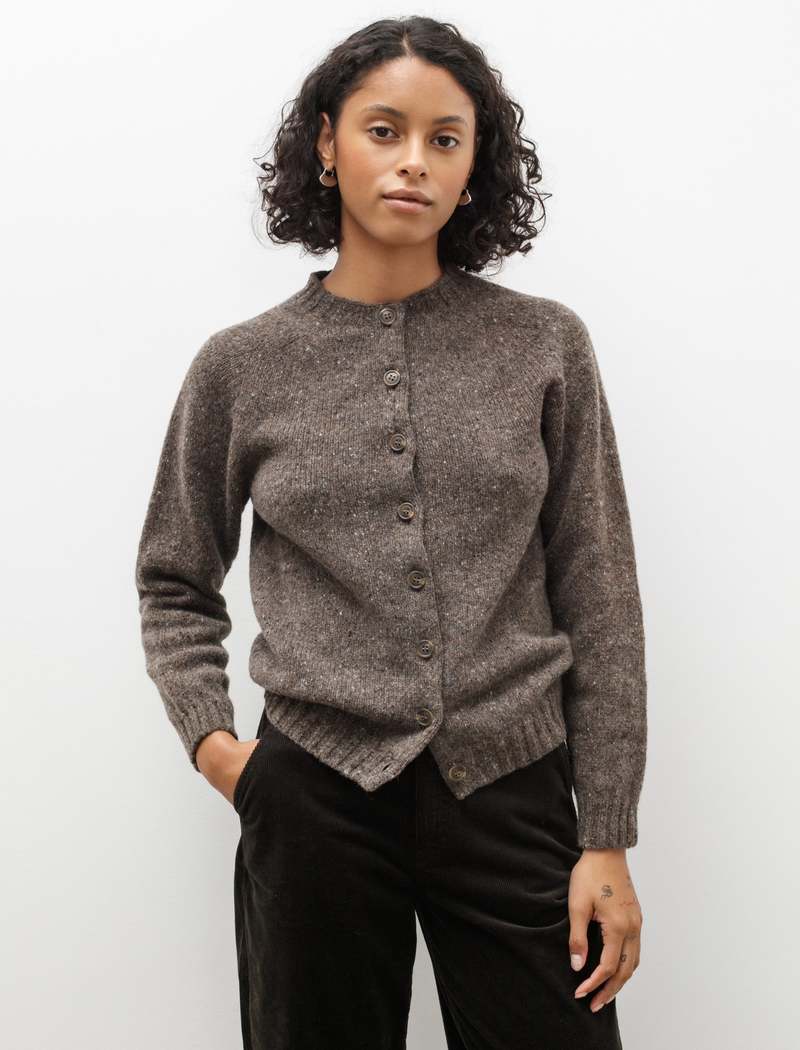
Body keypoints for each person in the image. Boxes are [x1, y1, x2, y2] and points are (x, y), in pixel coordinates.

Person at [134, 15, 647, 1050]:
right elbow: (173, 577)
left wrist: (605, 835)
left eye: (444, 139)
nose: (414, 160)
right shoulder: (240, 366)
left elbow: (598, 593)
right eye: (384, 130)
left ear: (473, 169)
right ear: (326, 144)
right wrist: (222, 751)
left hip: (511, 785)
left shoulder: (543, 346)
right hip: (313, 795)